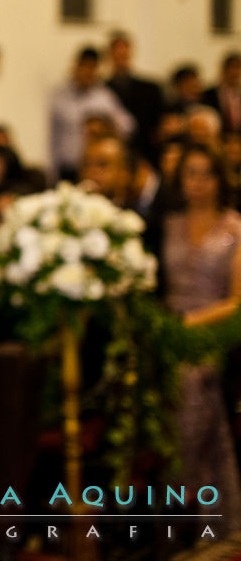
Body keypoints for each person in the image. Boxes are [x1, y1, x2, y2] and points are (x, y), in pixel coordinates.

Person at [161, 144, 241, 534]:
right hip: (168, 327)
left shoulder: (234, 227)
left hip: (213, 326)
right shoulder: (169, 223)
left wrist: (191, 323)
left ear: (219, 179)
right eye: (190, 173)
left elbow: (237, 300)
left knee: (192, 379)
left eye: (206, 173)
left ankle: (189, 493)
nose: (197, 182)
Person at [49, 46, 134, 181]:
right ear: (76, 66)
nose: (87, 72)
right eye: (84, 66)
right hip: (67, 168)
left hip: (94, 168)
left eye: (92, 67)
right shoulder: (60, 97)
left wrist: (105, 131)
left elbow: (128, 126)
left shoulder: (104, 97)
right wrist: (51, 170)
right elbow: (53, 138)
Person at [105, 31, 165, 165]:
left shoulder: (150, 88)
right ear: (110, 55)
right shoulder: (102, 90)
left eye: (124, 52)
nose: (121, 56)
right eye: (117, 52)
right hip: (117, 153)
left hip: (147, 152)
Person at [204, 52, 241, 134]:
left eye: (238, 67)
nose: (234, 72)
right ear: (223, 69)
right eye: (231, 67)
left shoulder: (239, 93)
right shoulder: (209, 94)